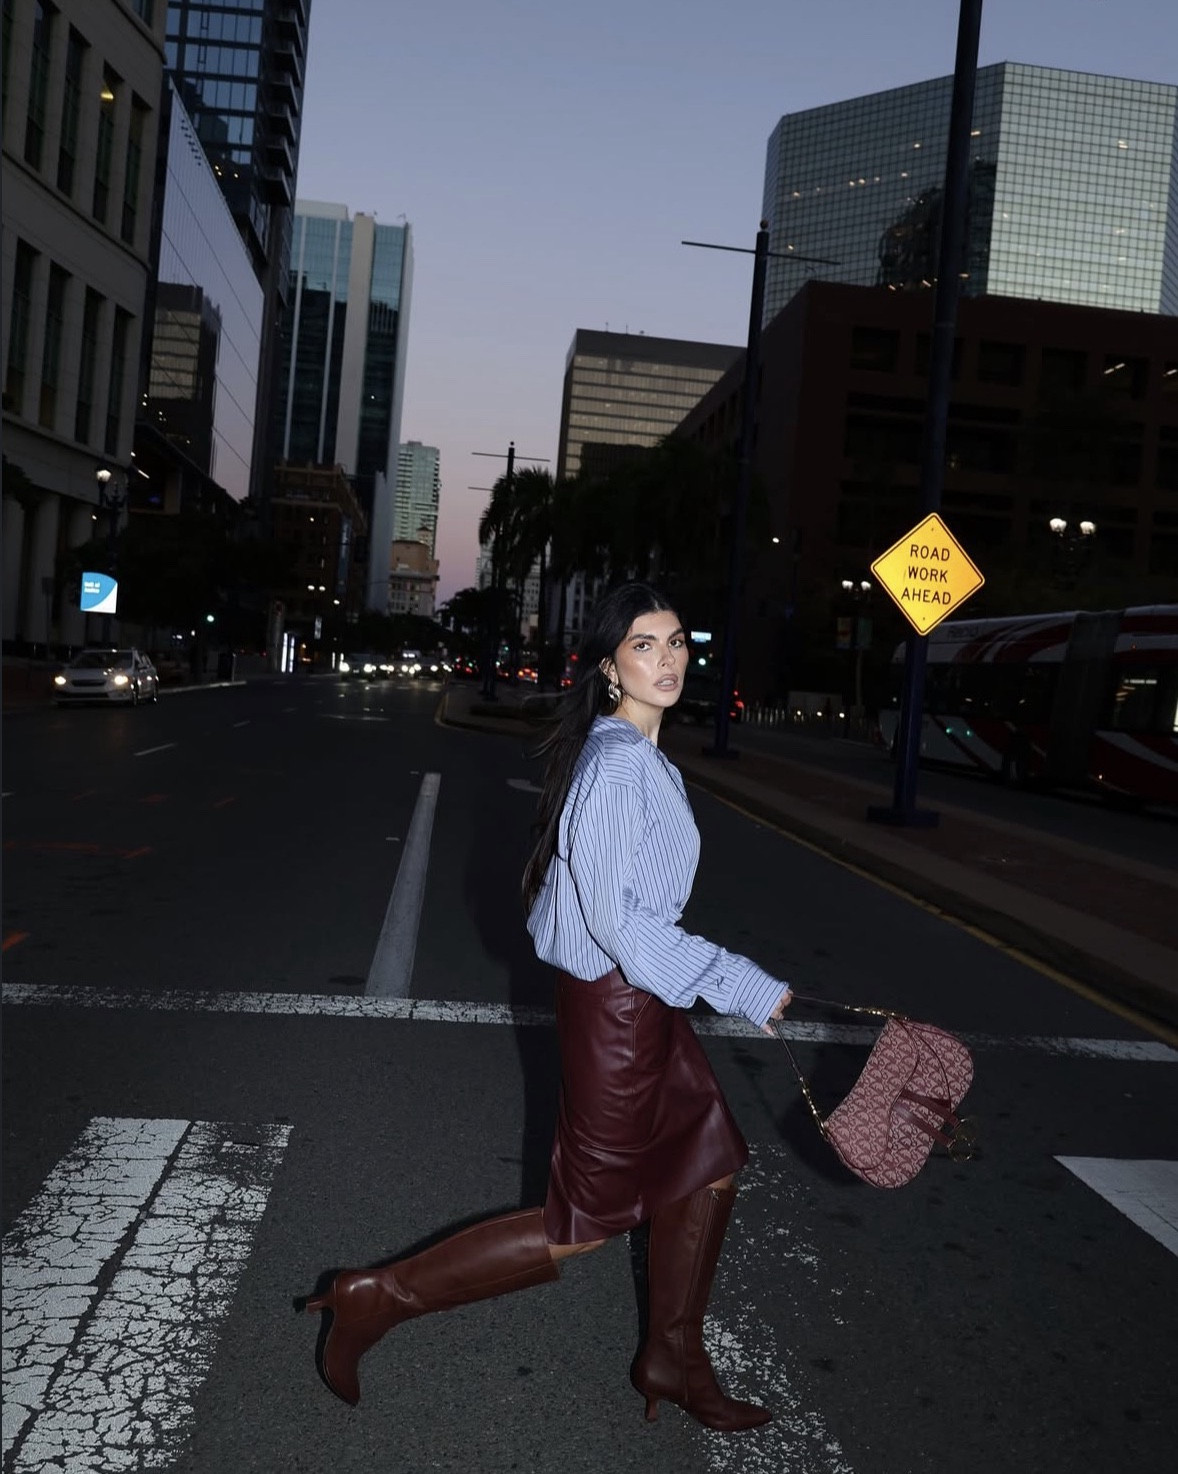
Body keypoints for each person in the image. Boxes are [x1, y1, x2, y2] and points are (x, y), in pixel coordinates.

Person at [303, 581, 793, 1431]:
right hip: (620, 1010)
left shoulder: (640, 755)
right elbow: (615, 922)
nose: (668, 658)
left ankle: (672, 1359)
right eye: (645, 645)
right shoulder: (613, 766)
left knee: (710, 1166)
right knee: (586, 1223)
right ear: (610, 667)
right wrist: (740, 981)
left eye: (677, 641)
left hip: (640, 1001)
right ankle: (377, 1297)